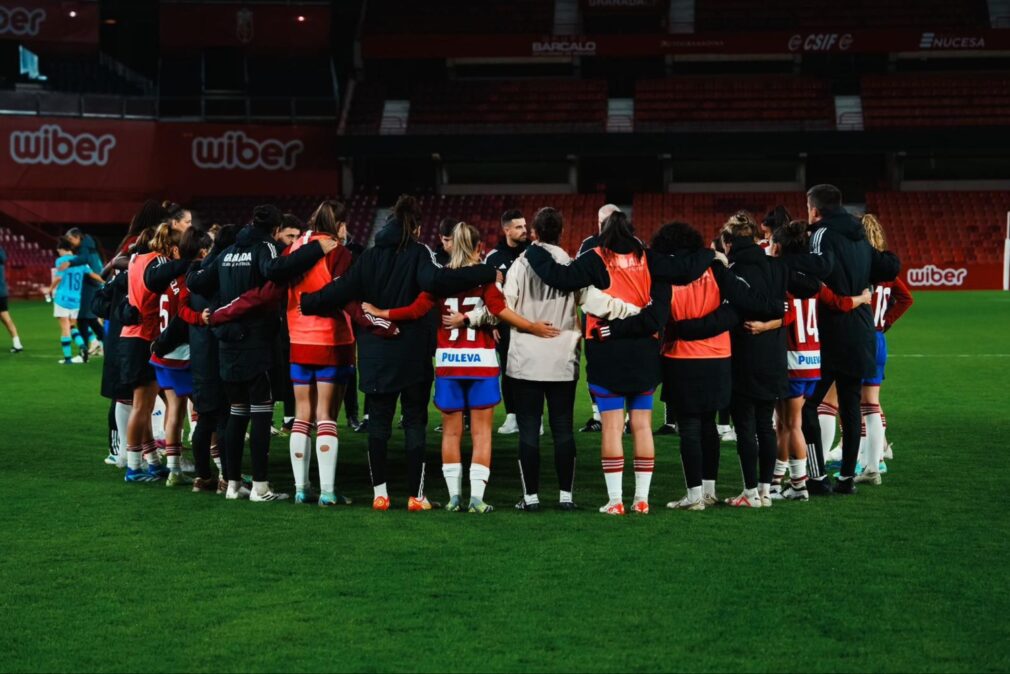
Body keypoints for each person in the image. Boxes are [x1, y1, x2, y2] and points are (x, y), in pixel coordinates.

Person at [300, 195, 496, 512]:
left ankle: (381, 494)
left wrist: (308, 302)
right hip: (413, 355)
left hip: (376, 356)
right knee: (414, 424)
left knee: (378, 425)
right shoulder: (420, 254)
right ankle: (416, 496)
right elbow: (437, 280)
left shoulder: (370, 256)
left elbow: (341, 289)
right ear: (416, 227)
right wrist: (484, 273)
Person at [523, 210, 717, 515]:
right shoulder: (650, 258)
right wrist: (711, 253)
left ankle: (615, 501)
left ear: (602, 232)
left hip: (606, 351)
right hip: (644, 354)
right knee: (641, 426)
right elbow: (685, 270)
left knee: (612, 428)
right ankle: (641, 499)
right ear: (632, 230)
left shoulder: (594, 257)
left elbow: (559, 278)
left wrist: (533, 251)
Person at [364, 222, 558, 513]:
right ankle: (477, 499)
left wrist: (382, 312)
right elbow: (500, 311)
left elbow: (416, 310)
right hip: (481, 363)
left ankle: (454, 497)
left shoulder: (439, 281)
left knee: (451, 433)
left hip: (448, 364)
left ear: (451, 245)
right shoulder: (487, 279)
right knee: (481, 434)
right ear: (479, 248)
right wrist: (531, 327)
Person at [494, 207, 638, 512]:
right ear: (562, 232)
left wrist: (469, 319)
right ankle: (565, 497)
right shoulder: (572, 265)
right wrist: (638, 311)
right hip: (562, 360)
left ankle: (531, 498)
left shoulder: (520, 265)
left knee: (529, 429)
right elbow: (599, 303)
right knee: (562, 428)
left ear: (534, 232)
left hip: (526, 361)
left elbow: (502, 305)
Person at [188, 204, 335, 502]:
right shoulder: (264, 247)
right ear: (275, 229)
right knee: (260, 416)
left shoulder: (228, 252)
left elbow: (199, 282)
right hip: (256, 343)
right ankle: (260, 487)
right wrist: (315, 250)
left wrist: (189, 265)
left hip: (227, 344)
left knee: (236, 414)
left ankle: (231, 484)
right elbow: (274, 270)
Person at [634, 222, 783, 512]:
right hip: (718, 356)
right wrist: (777, 309)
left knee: (689, 427)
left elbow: (660, 317)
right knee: (708, 426)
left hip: (680, 357)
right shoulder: (716, 269)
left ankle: (694, 496)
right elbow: (740, 306)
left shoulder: (663, 275)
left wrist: (683, 330)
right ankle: (710, 491)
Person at [748, 220, 870, 501]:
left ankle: (798, 484)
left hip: (792, 360)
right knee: (788, 424)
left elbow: (788, 314)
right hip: (814, 361)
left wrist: (763, 326)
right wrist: (862, 298)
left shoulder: (783, 277)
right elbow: (839, 303)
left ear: (777, 247)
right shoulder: (814, 281)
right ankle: (780, 481)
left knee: (788, 424)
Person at [800, 185, 900, 495]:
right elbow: (889, 267)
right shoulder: (861, 239)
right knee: (851, 404)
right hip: (862, 331)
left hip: (831, 332)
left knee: (808, 406)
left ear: (815, 209)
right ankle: (846, 479)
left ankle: (816, 477)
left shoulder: (820, 234)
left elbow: (815, 272)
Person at [719, 215, 820, 508]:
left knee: (746, 429)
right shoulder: (778, 266)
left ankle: (750, 493)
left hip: (743, 357)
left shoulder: (732, 271)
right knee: (765, 425)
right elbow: (811, 287)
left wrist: (774, 310)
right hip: (775, 358)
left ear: (728, 242)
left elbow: (739, 304)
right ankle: (765, 492)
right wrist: (777, 316)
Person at [282, 202, 355, 506]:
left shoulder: (294, 249)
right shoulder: (338, 251)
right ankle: (327, 491)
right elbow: (342, 293)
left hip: (297, 338)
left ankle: (301, 489)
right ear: (337, 225)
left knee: (302, 415)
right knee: (326, 416)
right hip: (331, 339)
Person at [120, 225, 193, 483]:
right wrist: (189, 261)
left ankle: (151, 462)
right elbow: (161, 277)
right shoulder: (158, 262)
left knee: (146, 406)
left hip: (131, 336)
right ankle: (133, 467)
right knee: (142, 407)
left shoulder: (137, 259)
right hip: (144, 336)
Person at [855, 214, 913, 485]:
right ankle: (874, 462)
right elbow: (906, 298)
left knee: (851, 401)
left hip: (858, 337)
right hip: (878, 339)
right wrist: (885, 321)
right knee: (871, 403)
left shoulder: (859, 265)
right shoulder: (887, 268)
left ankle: (862, 456)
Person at [146, 225, 204, 487]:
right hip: (181, 355)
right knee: (204, 410)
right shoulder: (187, 279)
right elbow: (183, 318)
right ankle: (219, 470)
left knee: (174, 409)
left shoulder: (164, 278)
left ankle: (173, 470)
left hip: (162, 356)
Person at [484, 209, 529, 435]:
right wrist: (491, 324)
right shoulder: (493, 258)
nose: (524, 230)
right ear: (507, 229)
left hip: (531, 321)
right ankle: (512, 416)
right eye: (519, 227)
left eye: (525, 226)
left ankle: (534, 417)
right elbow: (486, 293)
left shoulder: (533, 252)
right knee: (509, 369)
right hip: (505, 324)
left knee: (532, 369)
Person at [579, 203, 621, 432]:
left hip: (621, 317)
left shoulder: (633, 244)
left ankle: (623, 420)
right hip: (595, 316)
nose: (600, 227)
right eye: (599, 222)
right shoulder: (589, 244)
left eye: (604, 222)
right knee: (594, 365)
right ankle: (598, 416)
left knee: (622, 364)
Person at [49, 237, 103, 365]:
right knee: (72, 325)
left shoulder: (61, 260)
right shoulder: (80, 262)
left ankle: (68, 358)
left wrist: (49, 289)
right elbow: (92, 274)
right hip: (76, 300)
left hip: (62, 298)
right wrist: (104, 281)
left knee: (65, 327)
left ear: (61, 249)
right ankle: (83, 346)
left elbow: (58, 277)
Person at [60, 227, 105, 358]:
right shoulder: (90, 246)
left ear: (78, 237)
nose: (69, 242)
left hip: (90, 286)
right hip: (94, 285)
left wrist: (70, 262)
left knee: (82, 318)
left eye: (70, 239)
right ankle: (106, 344)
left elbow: (83, 259)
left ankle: (83, 354)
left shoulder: (85, 248)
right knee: (91, 320)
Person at [0, 244, 24, 353]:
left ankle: (17, 343)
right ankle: (17, 343)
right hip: (2, 292)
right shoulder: (1, 258)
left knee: (6, 318)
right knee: (6, 318)